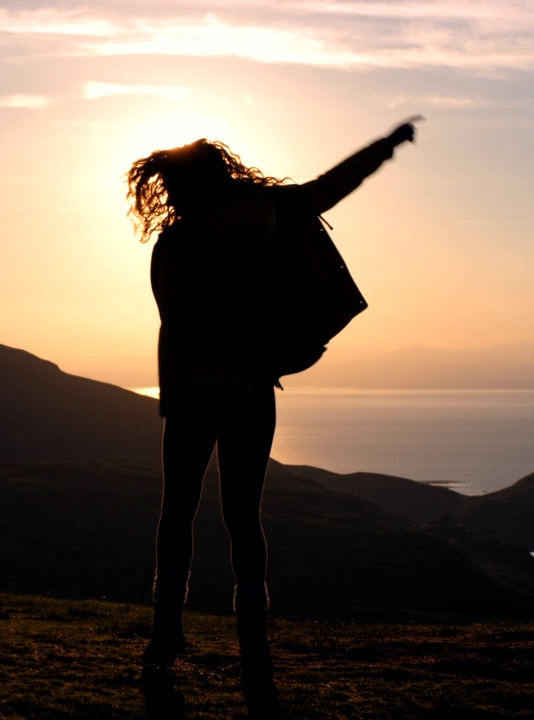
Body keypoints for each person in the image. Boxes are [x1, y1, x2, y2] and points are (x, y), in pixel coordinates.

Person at [126, 118, 420, 696]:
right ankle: (253, 640)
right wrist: (384, 146)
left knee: (177, 512)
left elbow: (175, 327)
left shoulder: (179, 244)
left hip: (196, 393)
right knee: (243, 516)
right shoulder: (271, 212)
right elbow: (334, 184)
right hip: (254, 391)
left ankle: (166, 634)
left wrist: (172, 404)